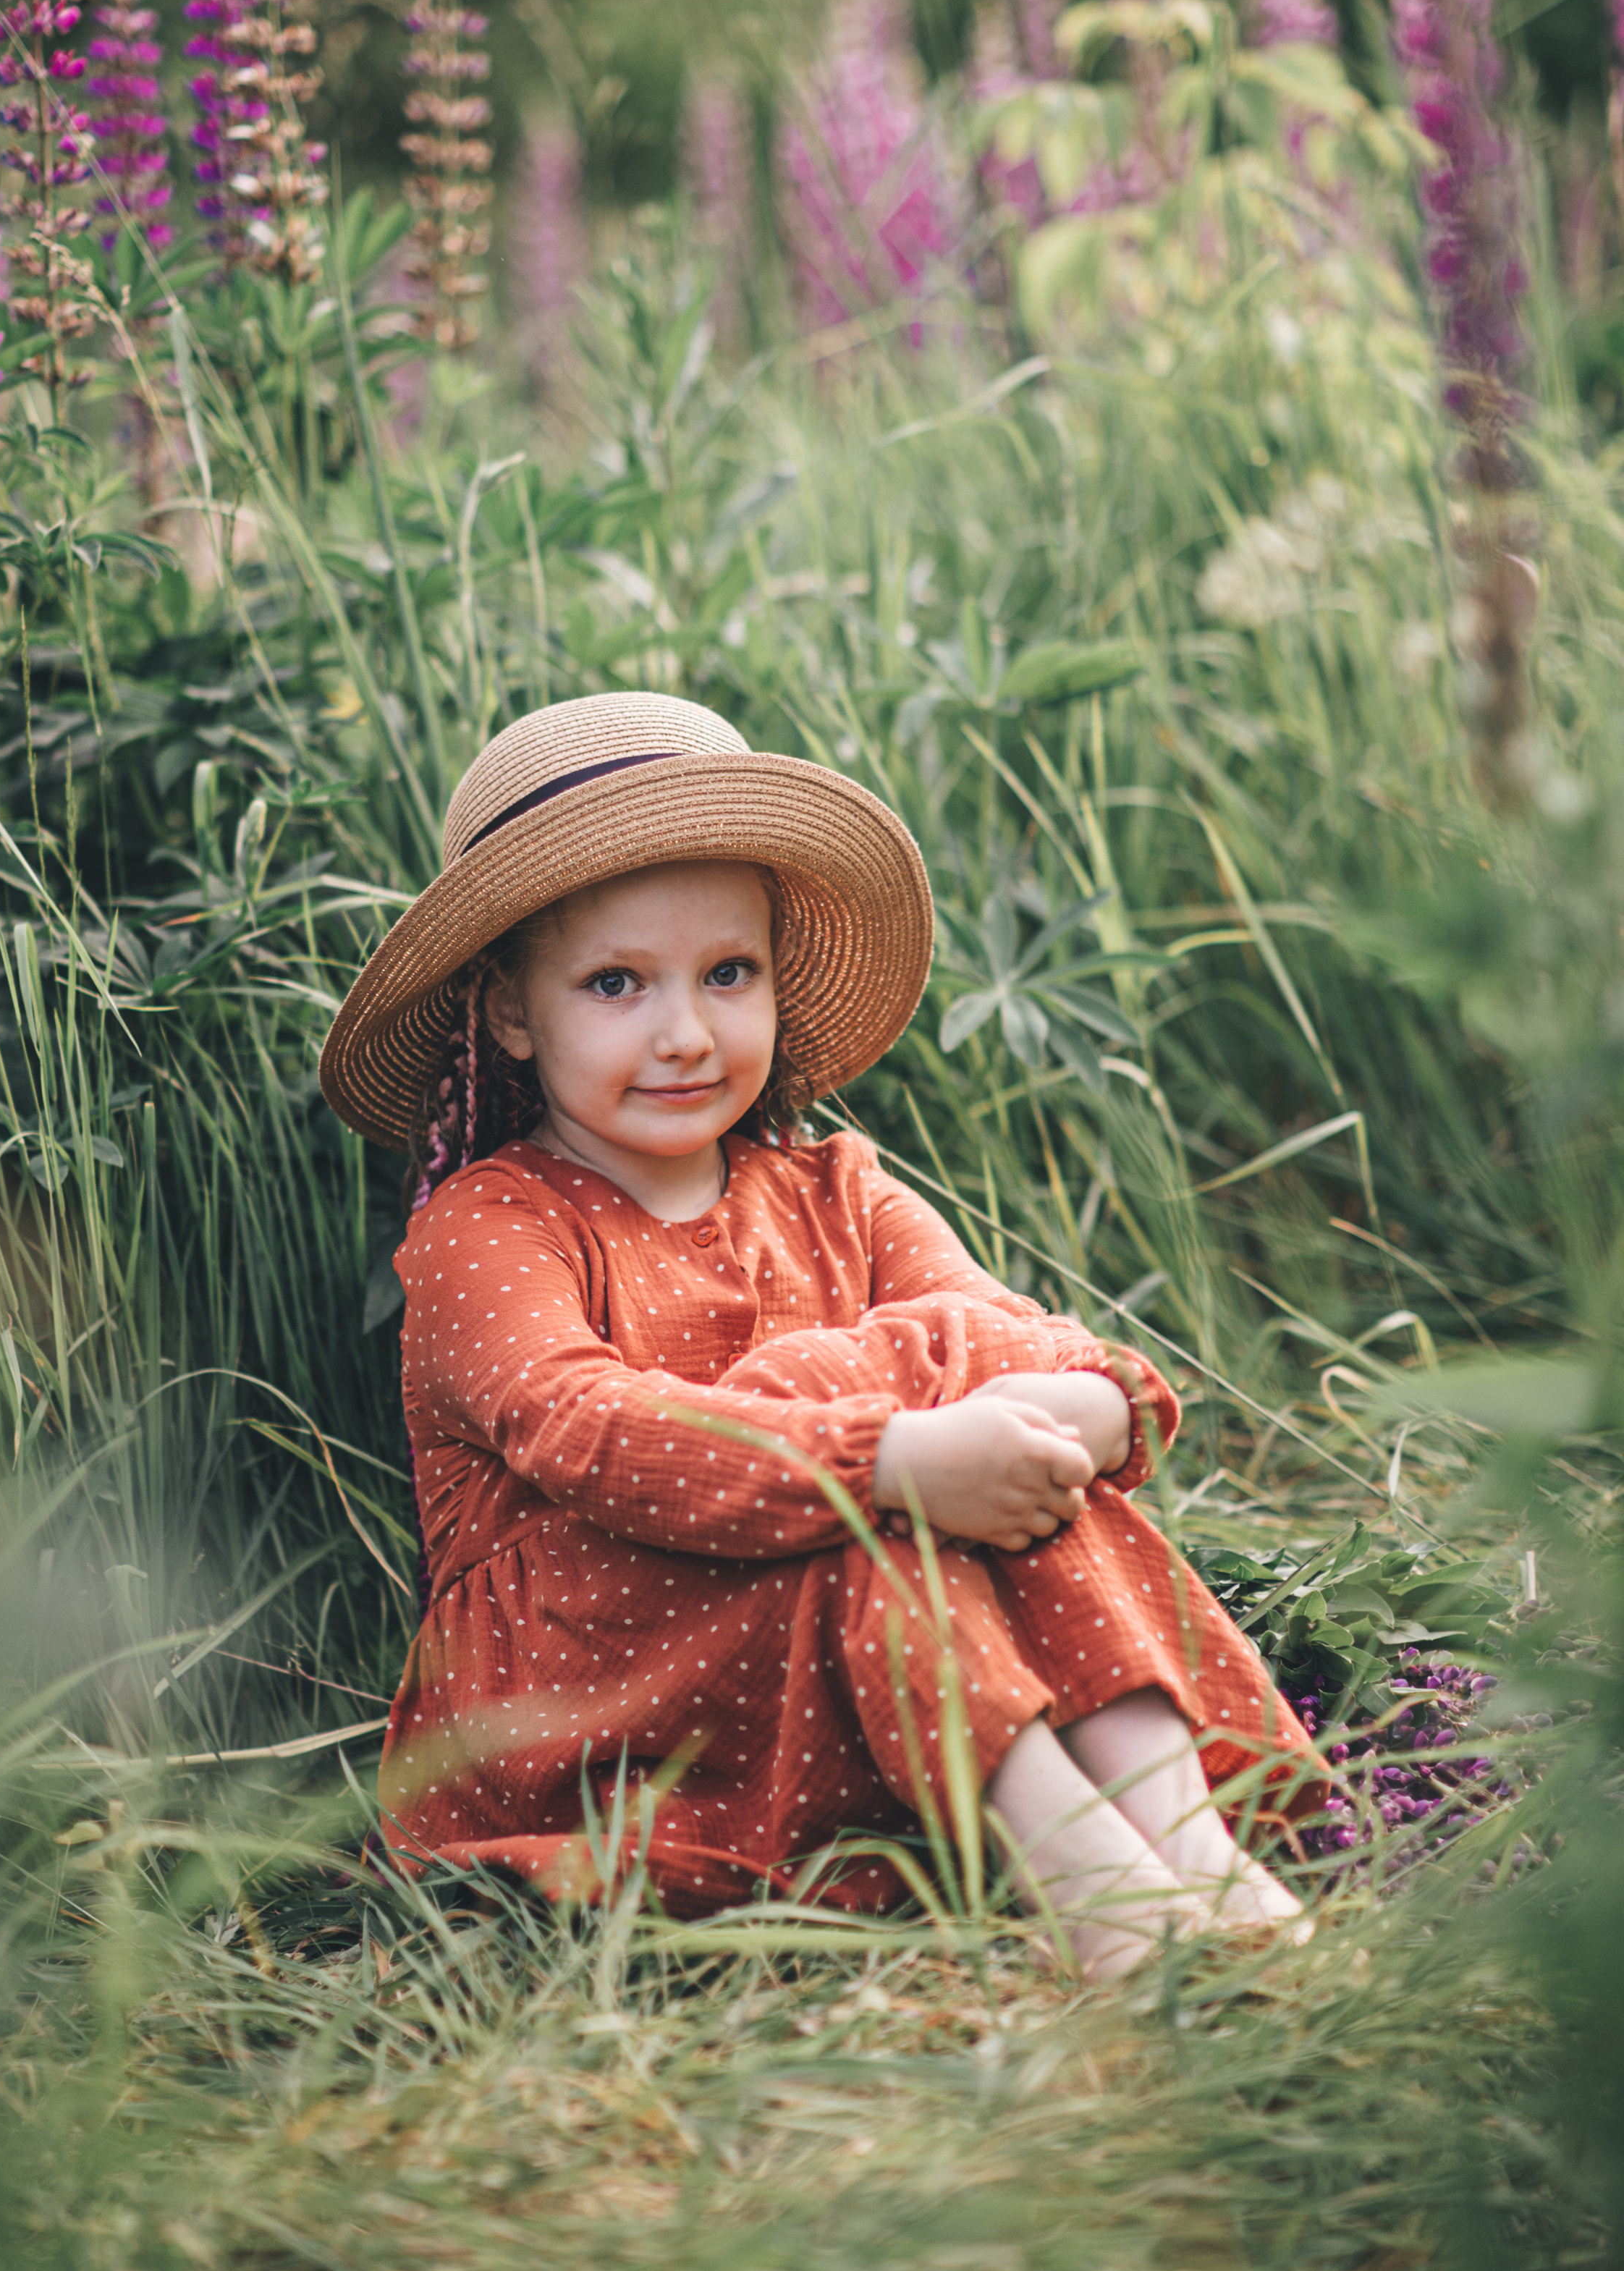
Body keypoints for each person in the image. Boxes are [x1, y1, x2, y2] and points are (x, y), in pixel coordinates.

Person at [321, 691, 1317, 1977]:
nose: (685, 1031)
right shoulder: (489, 1222)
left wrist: (1079, 1419)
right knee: (872, 1513)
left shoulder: (836, 1186)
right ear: (513, 1011)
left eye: (726, 973)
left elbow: (1025, 1338)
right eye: (616, 982)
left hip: (803, 1643)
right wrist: (894, 1457)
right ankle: (1092, 1885)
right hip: (588, 1688)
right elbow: (590, 1431)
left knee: (1008, 1470)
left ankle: (1188, 1847)